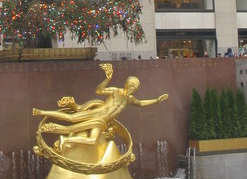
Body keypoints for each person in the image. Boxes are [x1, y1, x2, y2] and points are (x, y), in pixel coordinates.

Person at [33, 62, 168, 151]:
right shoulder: (116, 91)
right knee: (71, 119)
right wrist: (107, 79)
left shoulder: (129, 100)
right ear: (127, 84)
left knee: (91, 140)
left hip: (103, 122)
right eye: (132, 86)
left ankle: (66, 140)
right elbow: (99, 91)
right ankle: (41, 112)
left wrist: (156, 100)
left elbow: (141, 103)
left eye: (136, 88)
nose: (133, 89)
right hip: (98, 113)